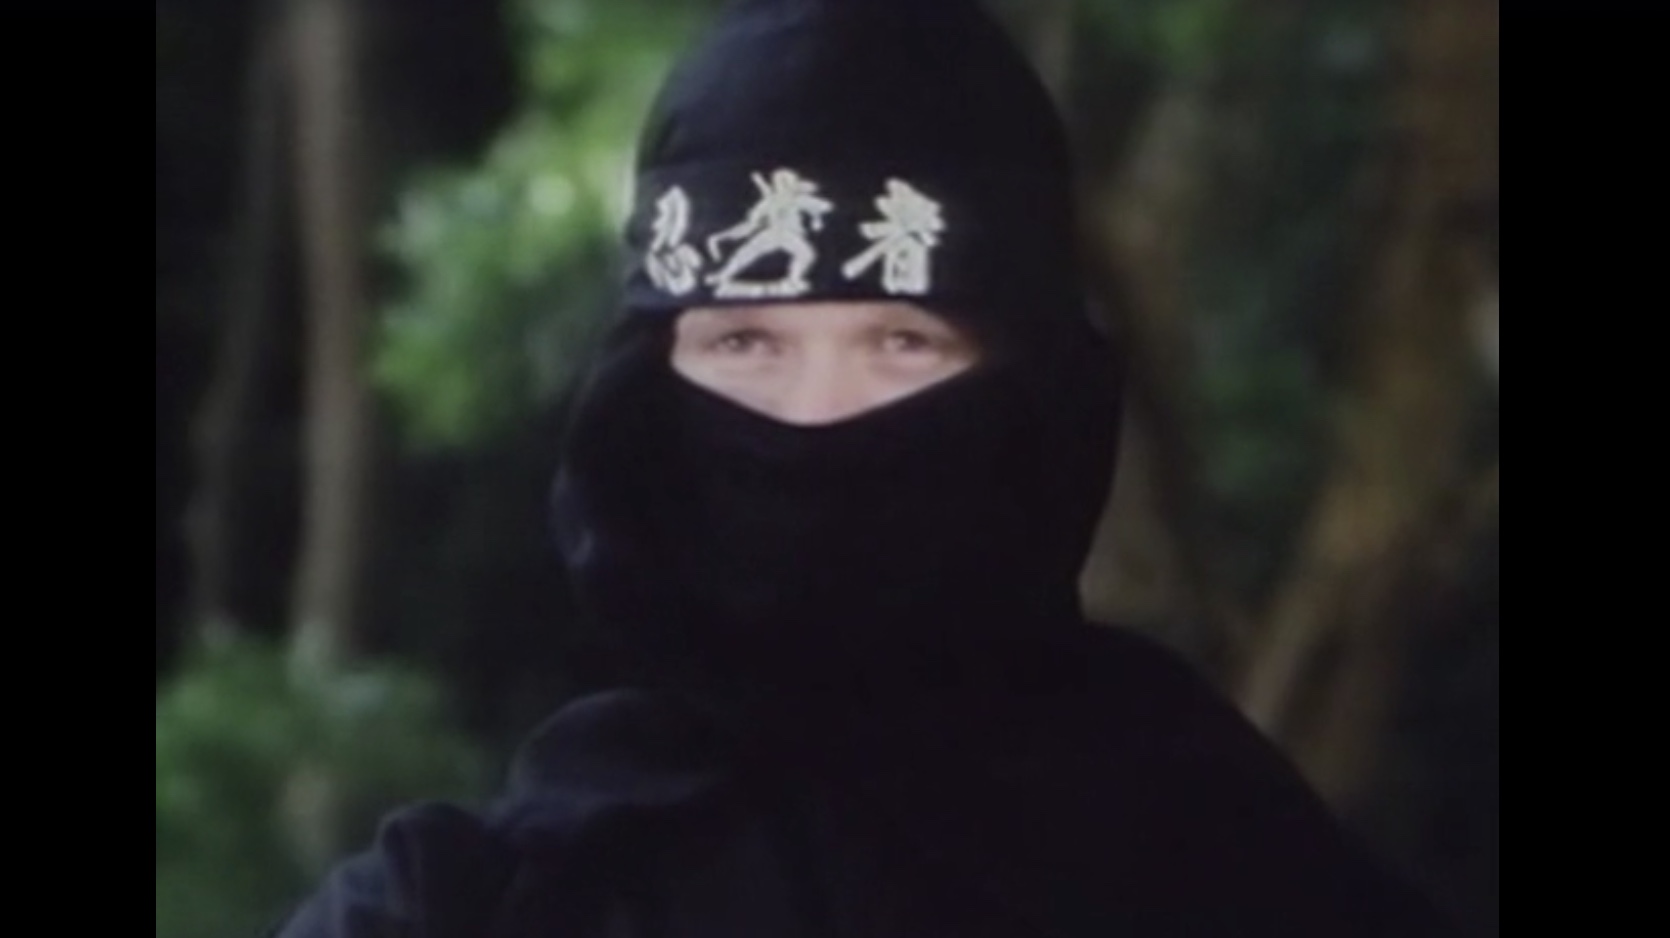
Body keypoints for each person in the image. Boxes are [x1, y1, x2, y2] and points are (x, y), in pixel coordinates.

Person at [275, 0, 1458, 934]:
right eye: (746, 343)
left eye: (903, 342)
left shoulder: (1234, 872)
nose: (816, 419)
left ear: (1038, 396)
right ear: (641, 398)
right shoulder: (462, 905)